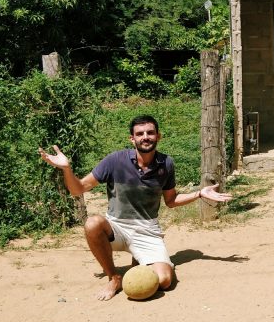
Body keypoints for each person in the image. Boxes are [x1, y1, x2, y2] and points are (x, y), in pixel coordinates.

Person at [39, 115, 231, 301]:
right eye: (140, 134)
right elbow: (78, 189)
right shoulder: (115, 160)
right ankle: (114, 278)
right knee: (92, 223)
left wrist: (199, 193)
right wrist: (66, 169)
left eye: (150, 132)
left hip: (146, 230)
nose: (145, 137)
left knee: (164, 281)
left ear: (158, 136)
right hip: (117, 227)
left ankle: (139, 258)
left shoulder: (166, 164)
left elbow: (171, 201)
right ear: (132, 139)